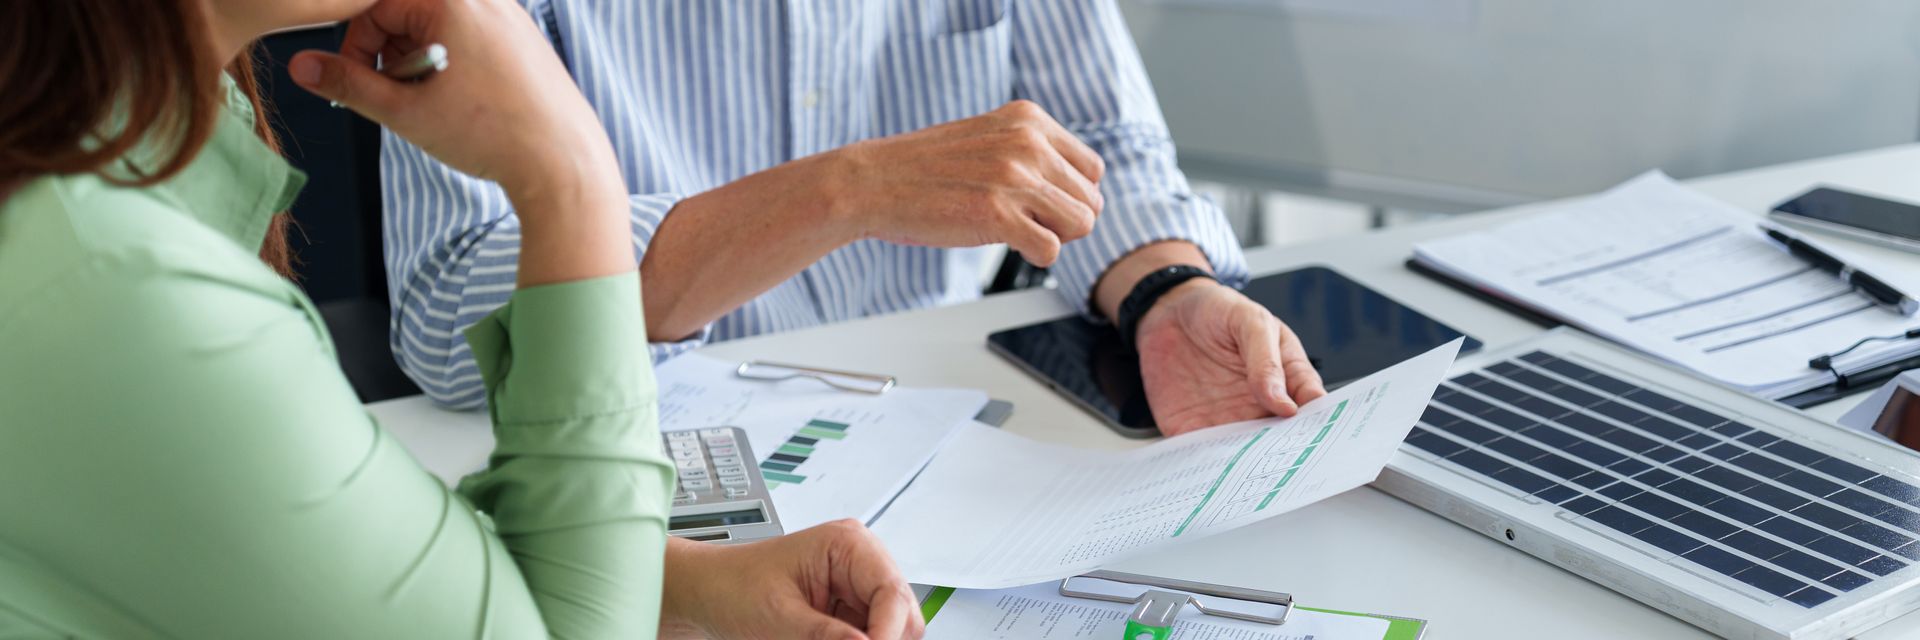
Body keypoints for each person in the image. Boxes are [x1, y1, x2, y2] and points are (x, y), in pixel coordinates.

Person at [0, 0, 921, 637]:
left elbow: (268, 548)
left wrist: (677, 585)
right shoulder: (123, 282)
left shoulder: (131, 158)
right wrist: (568, 178)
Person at [383, 0, 1329, 436]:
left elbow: (1101, 144)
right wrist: (841, 194)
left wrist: (1167, 291)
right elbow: (448, 317)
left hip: (950, 422)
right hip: (640, 437)